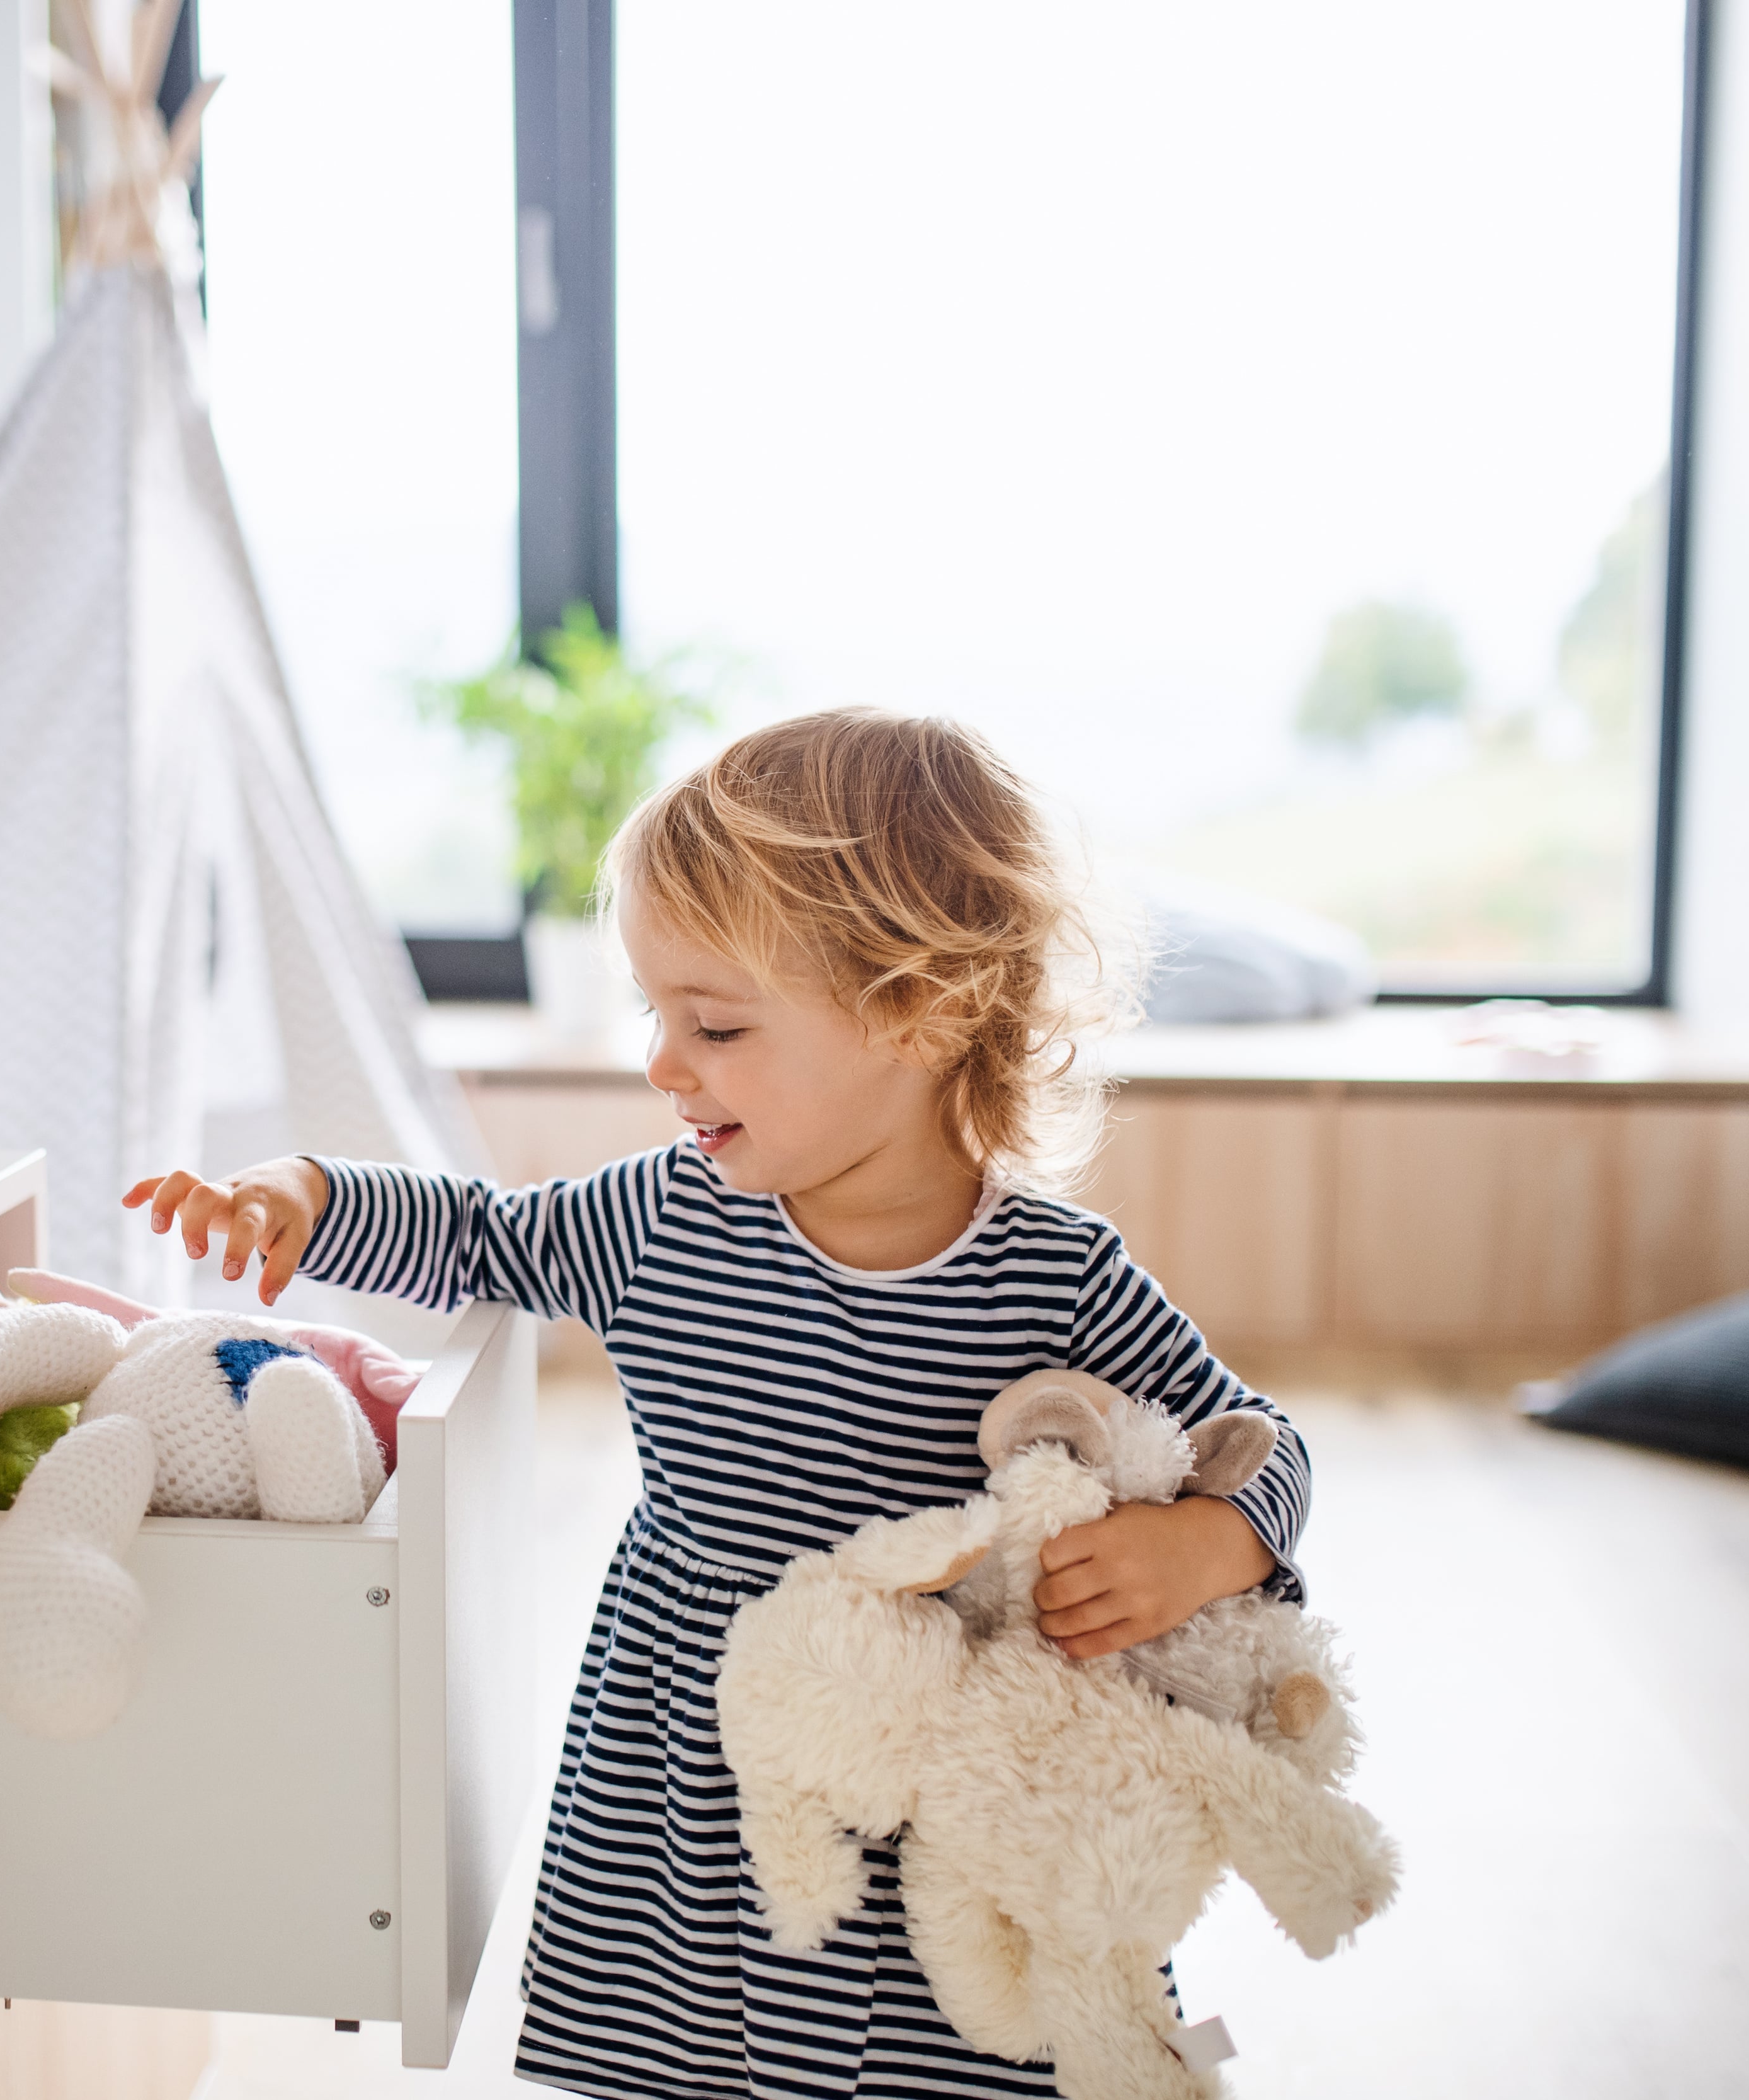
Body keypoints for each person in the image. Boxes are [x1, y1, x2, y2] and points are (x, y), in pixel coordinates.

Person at [125, 709, 1310, 2099]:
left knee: (966, 2049)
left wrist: (1212, 1540)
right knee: (680, 2054)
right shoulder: (658, 1216)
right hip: (687, 1748)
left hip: (940, 1766)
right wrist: (308, 1199)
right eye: (653, 1012)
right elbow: (482, 1237)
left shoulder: (1055, 1274)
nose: (663, 1062)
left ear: (917, 1010)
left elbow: (1260, 1441)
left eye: (716, 1023)